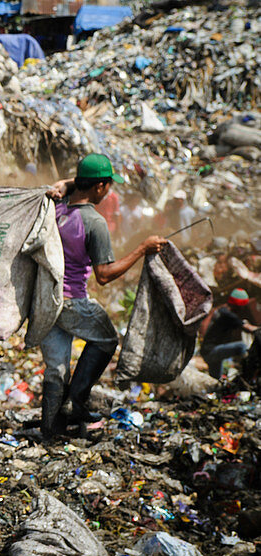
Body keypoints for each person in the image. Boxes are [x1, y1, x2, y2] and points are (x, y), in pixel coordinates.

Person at [42, 153, 166, 440]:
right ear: (99, 187)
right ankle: (76, 402)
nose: (109, 190)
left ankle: (51, 431)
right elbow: (105, 274)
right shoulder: (94, 222)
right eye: (108, 185)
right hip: (71, 299)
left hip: (45, 300)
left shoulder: (56, 206)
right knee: (107, 339)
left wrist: (67, 183)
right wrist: (142, 249)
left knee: (56, 368)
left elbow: (63, 186)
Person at [198, 288, 259, 377]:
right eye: (243, 306)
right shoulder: (228, 315)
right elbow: (248, 328)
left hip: (208, 351)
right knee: (241, 347)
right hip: (212, 351)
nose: (243, 309)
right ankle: (247, 371)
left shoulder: (222, 310)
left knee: (216, 380)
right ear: (239, 305)